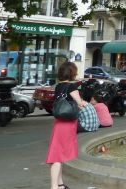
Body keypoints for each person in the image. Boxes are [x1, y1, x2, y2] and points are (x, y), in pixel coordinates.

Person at [46, 61, 87, 189]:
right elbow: (80, 103)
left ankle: (60, 184)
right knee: (57, 156)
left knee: (57, 153)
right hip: (67, 125)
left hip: (59, 123)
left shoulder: (58, 86)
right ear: (72, 73)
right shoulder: (72, 87)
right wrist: (83, 103)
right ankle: (54, 186)